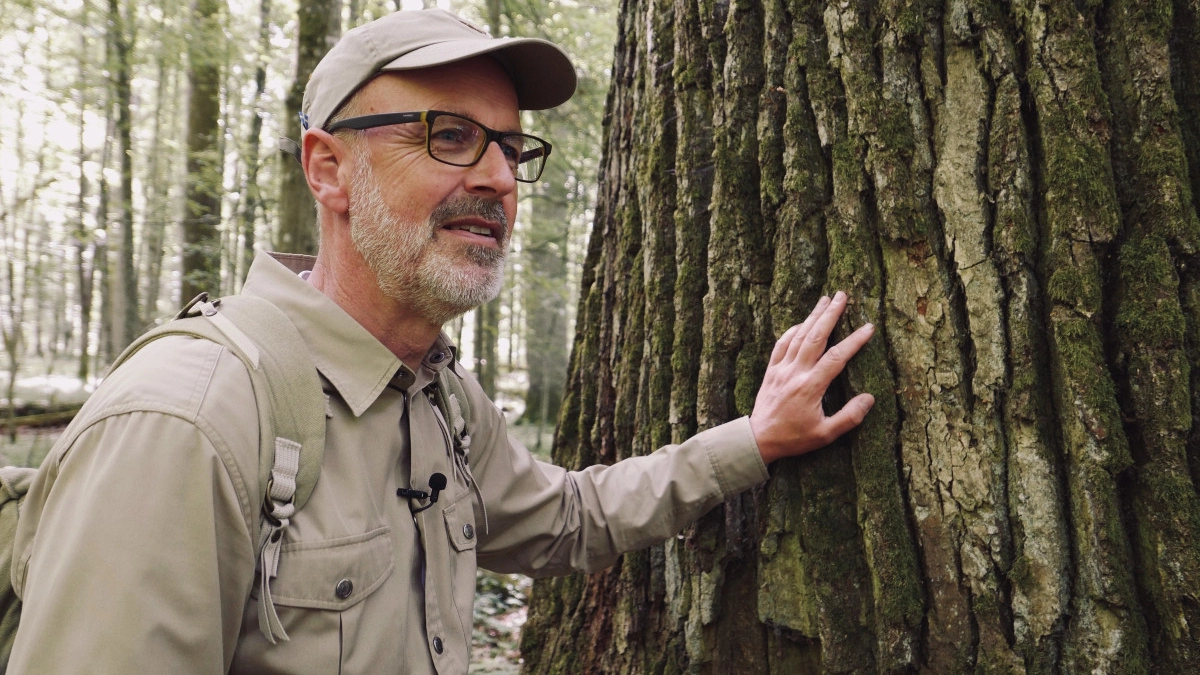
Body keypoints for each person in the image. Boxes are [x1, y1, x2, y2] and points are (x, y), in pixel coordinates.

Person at [7, 8, 875, 674]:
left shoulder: (438, 398)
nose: (498, 177)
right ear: (328, 168)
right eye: (449, 136)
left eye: (509, 147)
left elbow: (570, 517)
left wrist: (756, 441)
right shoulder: (190, 422)